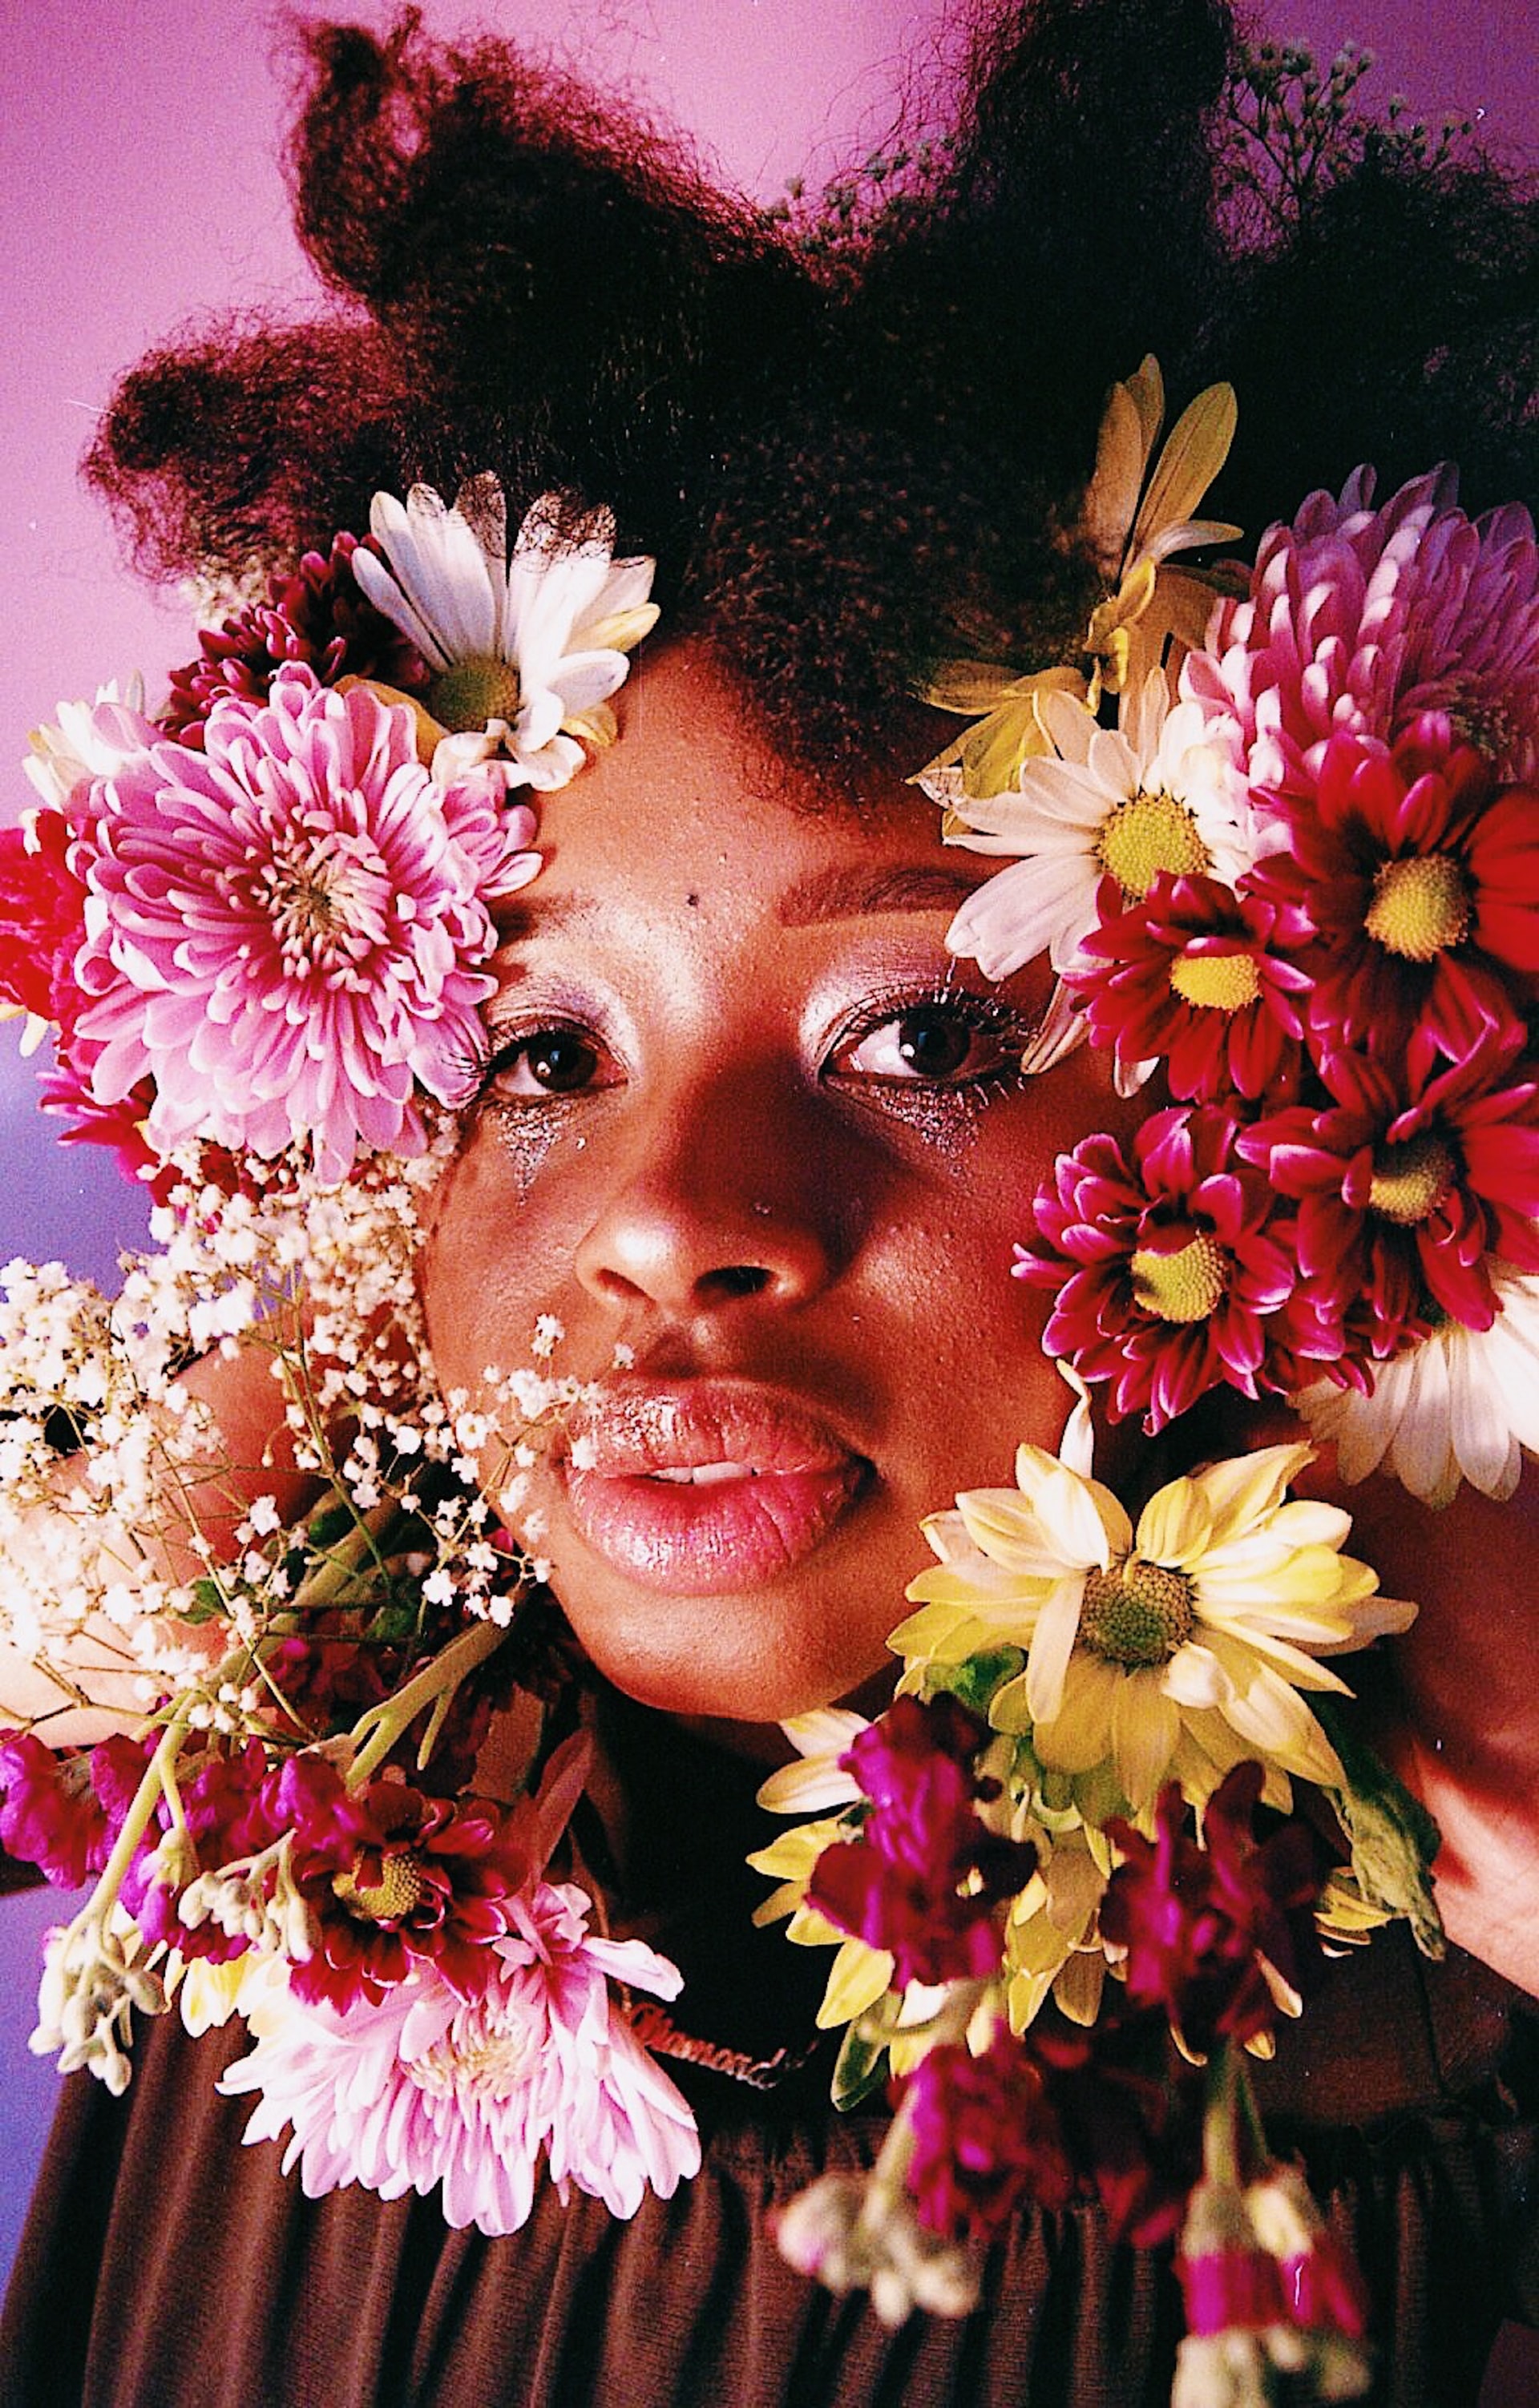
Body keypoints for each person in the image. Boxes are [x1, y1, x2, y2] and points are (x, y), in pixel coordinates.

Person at [2, 3, 1537, 2402]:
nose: (667, 1219)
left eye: (925, 1035)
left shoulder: (1426, 2066)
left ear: (1280, 1110)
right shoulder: (245, 1841)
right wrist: (278, 1383)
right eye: (538, 1051)